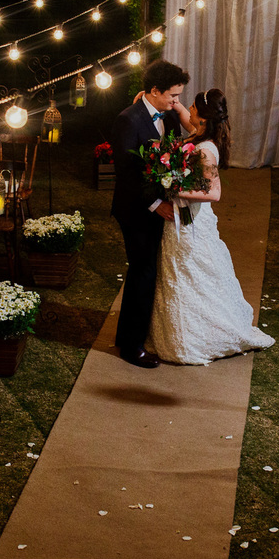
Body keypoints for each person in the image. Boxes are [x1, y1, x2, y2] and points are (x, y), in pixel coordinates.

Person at [147, 88, 275, 365]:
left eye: (192, 106)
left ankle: (197, 336)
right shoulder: (199, 133)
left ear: (203, 116)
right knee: (179, 272)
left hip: (191, 221)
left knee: (190, 271)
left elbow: (213, 193)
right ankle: (177, 330)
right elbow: (183, 115)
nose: (187, 110)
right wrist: (172, 101)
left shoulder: (205, 150)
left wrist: (174, 187)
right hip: (182, 218)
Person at [110, 59, 189, 369]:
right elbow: (126, 174)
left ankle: (128, 336)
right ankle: (133, 347)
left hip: (158, 206)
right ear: (154, 91)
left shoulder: (168, 118)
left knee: (144, 272)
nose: (176, 102)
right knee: (144, 272)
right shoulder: (127, 121)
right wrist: (156, 206)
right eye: (172, 96)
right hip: (135, 210)